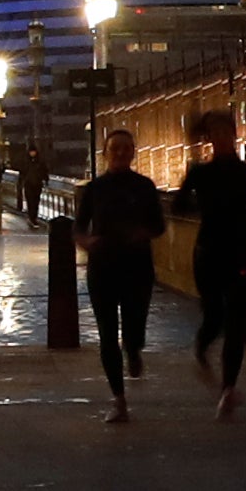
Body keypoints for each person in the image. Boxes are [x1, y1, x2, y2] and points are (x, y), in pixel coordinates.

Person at [69, 126, 165, 425]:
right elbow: (79, 226)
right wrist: (85, 242)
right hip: (104, 267)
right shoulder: (94, 189)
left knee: (134, 328)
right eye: (115, 149)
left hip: (137, 267)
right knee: (107, 334)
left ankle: (134, 350)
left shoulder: (145, 187)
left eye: (126, 148)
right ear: (106, 154)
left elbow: (159, 225)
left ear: (133, 152)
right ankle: (118, 400)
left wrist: (142, 233)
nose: (121, 153)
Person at [173, 110, 246, 418]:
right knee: (214, 315)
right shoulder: (199, 173)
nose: (222, 138)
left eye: (226, 132)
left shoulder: (245, 171)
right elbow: (179, 205)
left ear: (233, 136)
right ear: (209, 138)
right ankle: (201, 347)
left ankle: (228, 388)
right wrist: (207, 204)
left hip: (238, 252)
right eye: (216, 133)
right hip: (209, 251)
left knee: (236, 322)